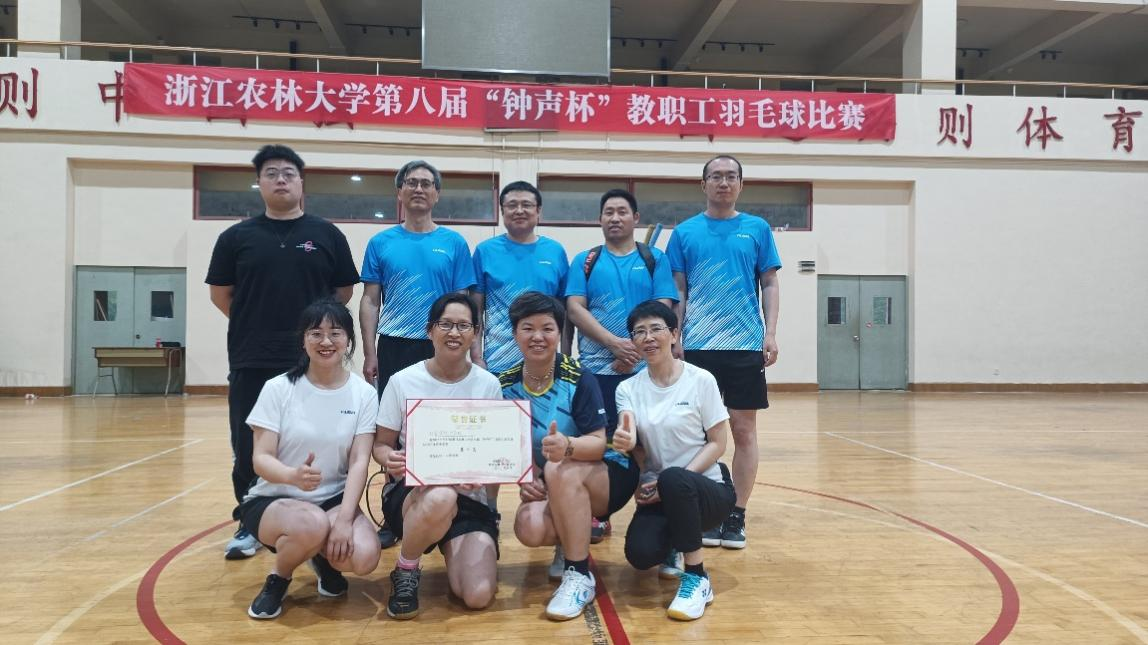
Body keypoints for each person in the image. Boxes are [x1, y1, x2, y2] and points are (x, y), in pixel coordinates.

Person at [207, 144, 360, 560]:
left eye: (288, 173)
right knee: (248, 445)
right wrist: (256, 323)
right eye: (271, 173)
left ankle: (319, 516)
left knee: (320, 439)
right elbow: (221, 295)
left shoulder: (327, 235)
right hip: (252, 357)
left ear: (301, 182)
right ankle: (249, 521)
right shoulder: (235, 238)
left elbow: (343, 292)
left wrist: (313, 334)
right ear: (259, 183)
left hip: (313, 360)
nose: (280, 180)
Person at [236, 298, 381, 620]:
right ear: (303, 340)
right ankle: (279, 577)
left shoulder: (364, 394)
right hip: (274, 500)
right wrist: (292, 476)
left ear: (349, 340)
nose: (326, 341)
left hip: (331, 500)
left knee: (364, 556)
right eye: (316, 333)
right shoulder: (278, 389)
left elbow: (359, 462)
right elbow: (260, 459)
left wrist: (344, 520)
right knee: (311, 525)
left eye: (335, 333)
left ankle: (320, 558)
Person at [500, 291, 639, 621]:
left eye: (547, 328)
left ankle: (579, 573)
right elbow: (507, 444)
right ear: (515, 333)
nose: (538, 336)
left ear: (559, 333)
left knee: (558, 469)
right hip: (555, 478)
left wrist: (567, 446)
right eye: (528, 328)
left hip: (606, 474)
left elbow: (600, 443)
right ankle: (569, 538)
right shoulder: (505, 385)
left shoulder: (578, 377)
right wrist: (527, 477)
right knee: (530, 527)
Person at [665, 155, 781, 550]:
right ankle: (706, 510)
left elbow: (770, 283)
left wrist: (770, 333)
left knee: (743, 431)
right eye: (716, 176)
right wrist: (676, 335)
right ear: (703, 184)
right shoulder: (684, 233)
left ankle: (736, 515)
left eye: (731, 176)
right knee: (699, 436)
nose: (724, 182)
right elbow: (678, 289)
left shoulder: (757, 229)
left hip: (745, 346)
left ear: (741, 185)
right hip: (698, 347)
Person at [360, 159, 477, 548]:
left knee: (447, 424)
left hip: (442, 343)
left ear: (437, 194)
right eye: (411, 183)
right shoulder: (381, 243)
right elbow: (370, 300)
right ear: (399, 192)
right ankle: (393, 510)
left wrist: (468, 348)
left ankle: (450, 502)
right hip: (395, 343)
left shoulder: (455, 244)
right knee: (393, 434)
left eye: (427, 183)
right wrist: (370, 351)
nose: (419, 189)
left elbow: (463, 303)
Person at [373, 293, 503, 620]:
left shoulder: (488, 385)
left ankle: (450, 543)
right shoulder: (402, 381)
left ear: (475, 333)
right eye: (445, 324)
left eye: (463, 326)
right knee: (441, 496)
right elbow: (381, 445)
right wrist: (390, 458)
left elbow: (494, 453)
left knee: (477, 596)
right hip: (413, 493)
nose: (454, 333)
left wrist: (488, 482)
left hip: (469, 497)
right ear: (430, 330)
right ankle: (406, 568)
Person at [565, 188, 677, 542]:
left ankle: (654, 514)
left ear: (635, 218)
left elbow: (662, 308)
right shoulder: (585, 260)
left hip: (645, 372)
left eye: (622, 211)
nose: (615, 218)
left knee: (648, 447)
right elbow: (575, 308)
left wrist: (636, 352)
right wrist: (614, 344)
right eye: (608, 212)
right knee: (600, 447)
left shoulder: (654, 259)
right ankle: (600, 513)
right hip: (596, 372)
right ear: (600, 219)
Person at [614, 300, 735, 621]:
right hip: (660, 491)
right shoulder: (628, 388)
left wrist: (673, 481)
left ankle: (697, 577)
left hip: (707, 489)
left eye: (656, 329)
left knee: (673, 478)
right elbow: (628, 425)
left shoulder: (701, 380)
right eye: (639, 332)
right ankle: (673, 544)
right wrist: (624, 438)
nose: (648, 337)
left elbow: (719, 443)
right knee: (640, 555)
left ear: (674, 334)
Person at [471, 180, 569, 374]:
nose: (519, 210)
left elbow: (565, 313)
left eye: (526, 205)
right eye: (512, 205)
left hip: (545, 364)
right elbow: (475, 311)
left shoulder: (555, 252)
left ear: (538, 210)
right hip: (497, 364)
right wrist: (476, 358)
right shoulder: (485, 251)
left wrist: (565, 359)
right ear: (502, 211)